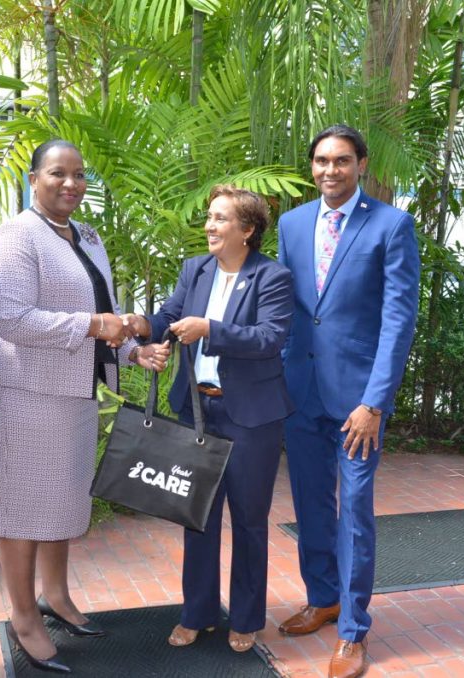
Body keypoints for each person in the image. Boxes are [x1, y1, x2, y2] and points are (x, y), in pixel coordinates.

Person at [0, 139, 169, 674]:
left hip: (77, 393)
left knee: (62, 499)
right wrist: (92, 326)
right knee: (21, 508)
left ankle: (56, 597)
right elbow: (12, 319)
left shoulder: (86, 235)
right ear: (34, 179)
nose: (71, 184)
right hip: (26, 394)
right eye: (58, 173)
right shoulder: (16, 236)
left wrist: (133, 351)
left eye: (79, 175)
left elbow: (103, 312)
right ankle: (22, 616)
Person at [121, 185, 294, 654]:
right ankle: (196, 613)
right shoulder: (194, 269)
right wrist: (142, 328)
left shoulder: (272, 278)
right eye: (210, 217)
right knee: (196, 517)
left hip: (251, 418)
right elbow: (169, 317)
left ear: (248, 230)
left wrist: (211, 331)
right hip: (194, 410)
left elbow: (269, 338)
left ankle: (245, 617)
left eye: (220, 219)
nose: (209, 226)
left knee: (249, 520)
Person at [276, 125, 420, 678]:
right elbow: (289, 309)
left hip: (358, 404)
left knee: (354, 513)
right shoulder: (291, 224)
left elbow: (397, 321)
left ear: (361, 164)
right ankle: (323, 598)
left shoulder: (391, 225)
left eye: (340, 161)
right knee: (310, 505)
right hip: (301, 394)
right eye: (320, 161)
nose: (329, 170)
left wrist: (375, 401)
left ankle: (353, 630)